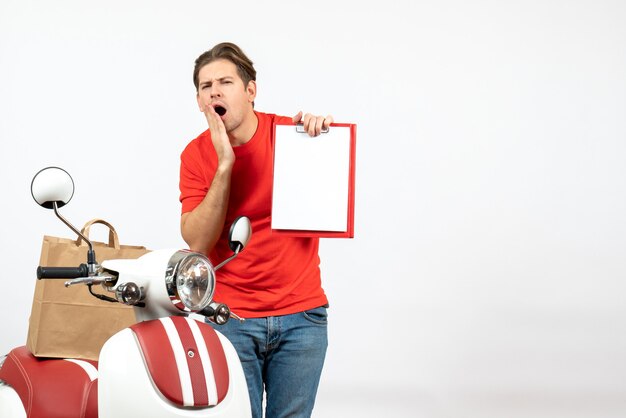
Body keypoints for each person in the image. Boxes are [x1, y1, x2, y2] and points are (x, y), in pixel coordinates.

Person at [178, 42, 333, 418]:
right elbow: (197, 240)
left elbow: (329, 199)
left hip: (302, 317)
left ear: (250, 91)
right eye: (205, 85)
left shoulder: (293, 137)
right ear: (199, 101)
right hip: (229, 318)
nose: (214, 90)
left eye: (225, 82)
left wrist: (322, 142)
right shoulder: (195, 155)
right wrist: (224, 164)